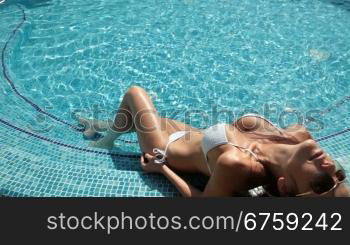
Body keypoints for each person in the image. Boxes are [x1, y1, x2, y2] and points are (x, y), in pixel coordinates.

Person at [77, 86, 350, 197]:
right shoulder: (298, 137)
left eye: (322, 182)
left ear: (285, 185)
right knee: (135, 119)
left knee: (135, 94)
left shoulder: (239, 165)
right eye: (339, 175)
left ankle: (106, 143)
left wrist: (162, 169)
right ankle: (97, 127)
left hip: (167, 148)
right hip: (194, 136)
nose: (328, 167)